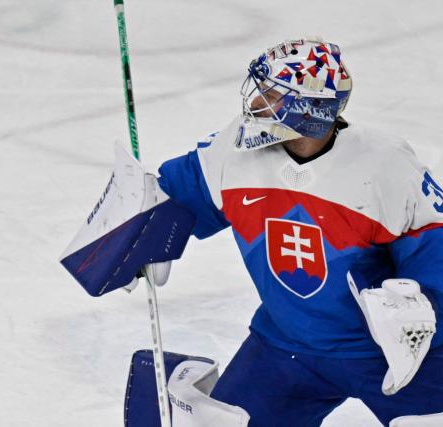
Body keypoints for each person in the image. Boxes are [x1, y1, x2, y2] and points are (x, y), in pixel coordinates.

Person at [155, 37, 443, 426]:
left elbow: (435, 246)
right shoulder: (236, 150)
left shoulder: (384, 165)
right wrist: (146, 225)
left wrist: (424, 305)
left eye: (272, 95)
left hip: (389, 355)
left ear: (307, 109)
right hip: (286, 346)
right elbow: (181, 190)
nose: (255, 104)